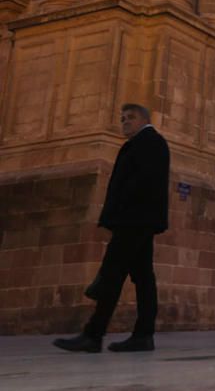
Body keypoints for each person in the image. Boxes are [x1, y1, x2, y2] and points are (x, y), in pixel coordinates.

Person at [53, 104, 170, 354]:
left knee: (112, 274)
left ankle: (93, 334)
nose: (124, 122)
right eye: (122, 118)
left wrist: (117, 218)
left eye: (130, 118)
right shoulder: (144, 143)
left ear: (144, 119)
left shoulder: (149, 142)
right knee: (143, 278)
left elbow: (139, 184)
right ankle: (143, 335)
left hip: (133, 221)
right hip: (138, 221)